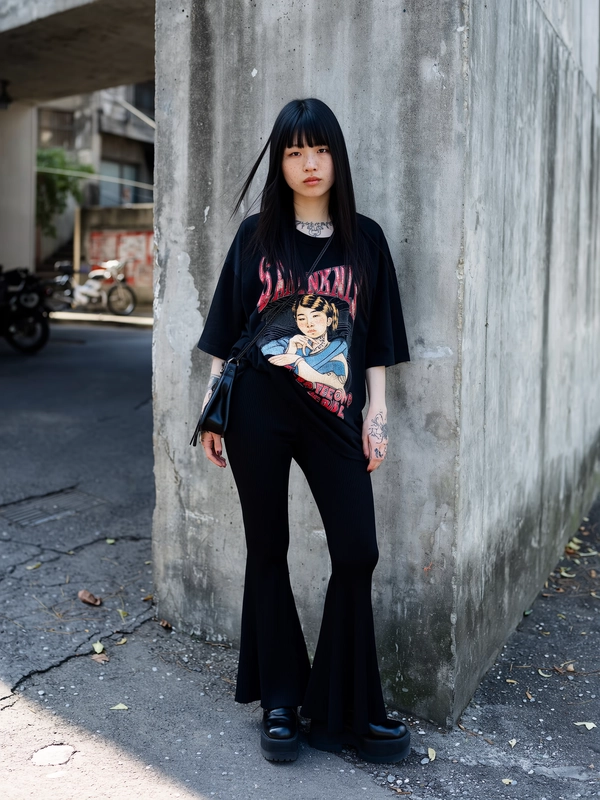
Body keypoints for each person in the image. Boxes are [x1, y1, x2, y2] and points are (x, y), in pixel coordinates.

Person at [196, 98, 411, 764]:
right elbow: (225, 331)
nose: (309, 164)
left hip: (334, 413)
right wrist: (212, 407)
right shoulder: (256, 236)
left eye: (319, 150)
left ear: (336, 157)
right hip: (259, 407)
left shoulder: (365, 239)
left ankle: (343, 702)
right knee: (267, 549)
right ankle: (283, 702)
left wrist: (376, 412)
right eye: (294, 152)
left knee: (356, 551)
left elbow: (376, 337)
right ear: (281, 163)